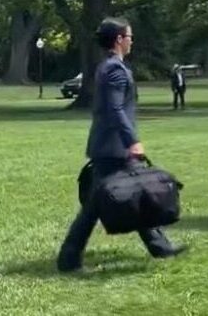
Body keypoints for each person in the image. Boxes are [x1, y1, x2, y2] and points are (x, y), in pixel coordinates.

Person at [57, 18, 185, 272]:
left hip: (109, 146)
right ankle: (68, 260)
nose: (131, 41)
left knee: (135, 193)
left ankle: (160, 247)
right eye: (129, 36)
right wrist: (132, 141)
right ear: (118, 39)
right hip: (114, 148)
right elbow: (115, 109)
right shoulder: (115, 69)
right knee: (99, 206)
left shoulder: (109, 67)